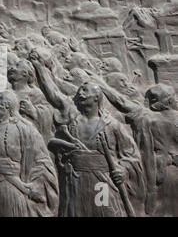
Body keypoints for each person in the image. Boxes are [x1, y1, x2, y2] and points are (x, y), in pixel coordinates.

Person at [29, 49, 145, 217]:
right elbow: (53, 93)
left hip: (101, 181)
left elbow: (131, 155)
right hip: (75, 179)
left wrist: (124, 170)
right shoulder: (72, 116)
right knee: (75, 212)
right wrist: (39, 67)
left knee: (102, 210)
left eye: (85, 90)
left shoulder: (111, 125)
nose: (80, 93)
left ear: (97, 97)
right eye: (79, 91)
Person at [98, 81, 178, 216]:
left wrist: (101, 85)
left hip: (158, 172)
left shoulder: (145, 115)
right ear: (170, 101)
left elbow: (121, 102)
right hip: (170, 172)